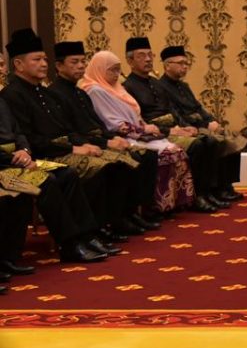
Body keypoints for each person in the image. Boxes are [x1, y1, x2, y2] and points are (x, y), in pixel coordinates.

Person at [2, 29, 152, 241]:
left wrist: (87, 144)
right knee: (87, 169)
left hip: (55, 151)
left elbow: (67, 130)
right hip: (43, 156)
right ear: (18, 64)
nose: (44, 64)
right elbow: (31, 139)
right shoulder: (13, 95)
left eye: (45, 59)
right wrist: (73, 148)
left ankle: (103, 226)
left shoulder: (44, 93)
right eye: (37, 59)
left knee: (116, 163)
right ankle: (86, 234)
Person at [48, 40, 162, 220]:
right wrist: (105, 142)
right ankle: (108, 221)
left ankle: (131, 214)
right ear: (59, 66)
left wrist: (112, 138)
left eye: (82, 61)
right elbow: (70, 132)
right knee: (117, 164)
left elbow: (97, 125)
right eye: (74, 62)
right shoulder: (54, 93)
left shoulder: (80, 92)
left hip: (96, 141)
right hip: (80, 145)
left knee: (146, 155)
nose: (80, 66)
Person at [80, 50, 196, 214]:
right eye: (111, 70)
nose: (116, 74)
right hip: (122, 136)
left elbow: (136, 115)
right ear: (99, 69)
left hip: (140, 132)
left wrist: (149, 128)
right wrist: (143, 130)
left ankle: (174, 203)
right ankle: (154, 207)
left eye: (118, 70)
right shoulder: (95, 90)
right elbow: (113, 123)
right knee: (165, 154)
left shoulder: (116, 87)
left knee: (177, 151)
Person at [123, 37, 228, 212]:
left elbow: (173, 110)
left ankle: (208, 191)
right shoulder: (128, 87)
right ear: (130, 61)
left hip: (174, 128)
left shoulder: (156, 84)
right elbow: (140, 121)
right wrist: (171, 129)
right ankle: (196, 196)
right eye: (142, 56)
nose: (148, 59)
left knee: (209, 141)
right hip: (155, 134)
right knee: (198, 145)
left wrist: (184, 126)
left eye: (150, 55)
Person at [0, 97, 111, 263]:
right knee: (46, 181)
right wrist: (15, 158)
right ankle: (69, 245)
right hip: (6, 164)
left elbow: (18, 132)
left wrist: (24, 150)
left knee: (66, 172)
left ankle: (86, 235)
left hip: (23, 159)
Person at [157, 45, 246, 202]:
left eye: (186, 64)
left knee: (230, 137)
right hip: (189, 127)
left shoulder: (184, 86)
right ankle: (211, 189)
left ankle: (226, 185)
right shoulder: (161, 87)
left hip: (200, 123)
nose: (184, 67)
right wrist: (202, 128)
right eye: (180, 63)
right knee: (214, 141)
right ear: (167, 65)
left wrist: (212, 121)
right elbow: (174, 115)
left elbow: (198, 108)